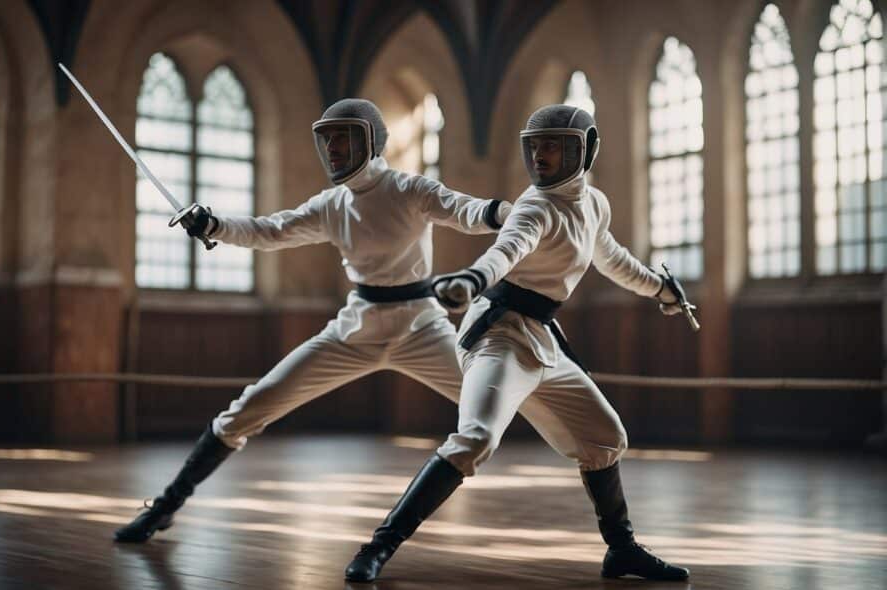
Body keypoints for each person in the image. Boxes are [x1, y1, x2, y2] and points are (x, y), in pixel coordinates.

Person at [114, 98, 564, 544]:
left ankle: (613, 524)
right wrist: (213, 225)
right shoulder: (332, 204)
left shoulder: (409, 189)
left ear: (369, 140)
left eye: (341, 138)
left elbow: (466, 210)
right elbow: (271, 230)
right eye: (326, 139)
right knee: (248, 410)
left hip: (421, 329)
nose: (331, 148)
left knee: (524, 399)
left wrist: (519, 215)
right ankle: (166, 506)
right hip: (354, 330)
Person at [344, 104, 690, 582]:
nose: (542, 155)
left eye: (554, 145)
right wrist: (471, 278)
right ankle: (376, 549)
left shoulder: (594, 204)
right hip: (500, 334)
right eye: (536, 146)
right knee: (475, 439)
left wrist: (660, 289)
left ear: (585, 151)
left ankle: (622, 549)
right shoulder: (534, 206)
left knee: (606, 438)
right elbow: (505, 251)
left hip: (543, 337)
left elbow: (609, 256)